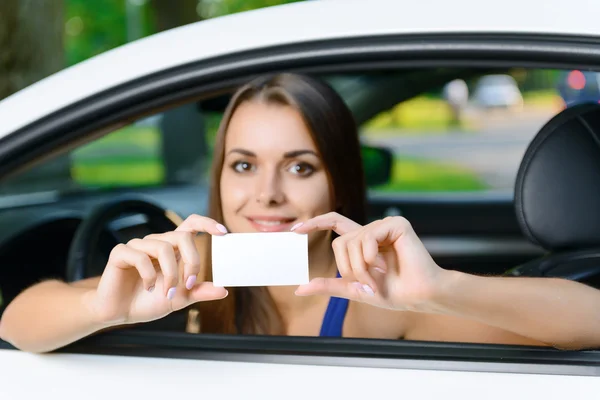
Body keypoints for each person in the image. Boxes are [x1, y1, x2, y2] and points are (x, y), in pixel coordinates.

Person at [2, 72, 600, 353]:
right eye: (242, 165)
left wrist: (442, 289)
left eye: (299, 166)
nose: (266, 194)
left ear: (339, 181)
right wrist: (102, 308)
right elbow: (17, 322)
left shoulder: (372, 303)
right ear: (218, 178)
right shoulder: (188, 274)